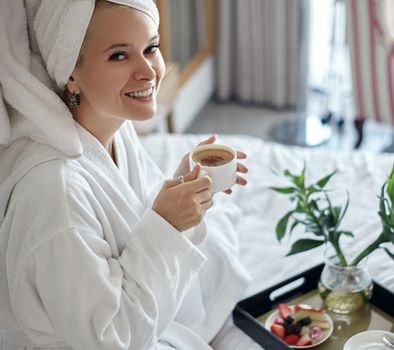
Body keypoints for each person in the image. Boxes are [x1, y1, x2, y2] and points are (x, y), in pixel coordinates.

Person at [0, 0, 251, 349]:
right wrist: (167, 226)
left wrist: (182, 188)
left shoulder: (116, 129)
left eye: (151, 48)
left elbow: (130, 222)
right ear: (71, 74)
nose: (148, 71)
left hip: (139, 319)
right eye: (119, 55)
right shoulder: (54, 193)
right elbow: (109, 339)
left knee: (220, 259)